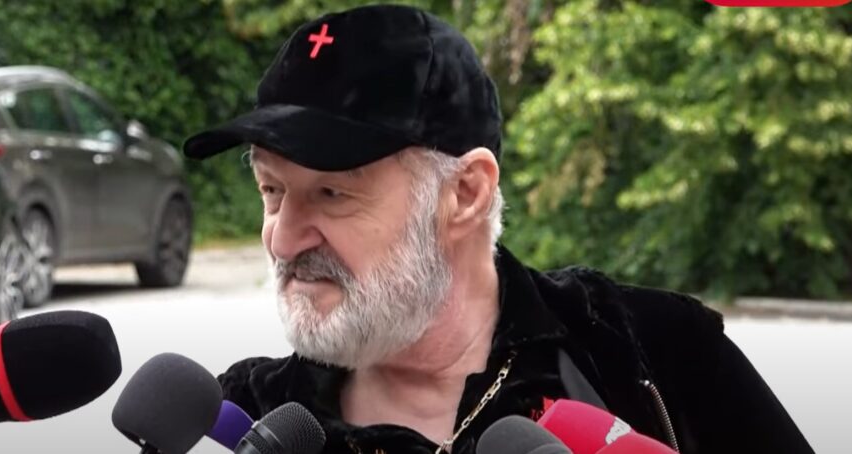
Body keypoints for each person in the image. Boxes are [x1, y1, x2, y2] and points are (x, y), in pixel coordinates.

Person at [182, 4, 813, 454]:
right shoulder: (240, 419)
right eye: (272, 191)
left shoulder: (648, 353)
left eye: (331, 193)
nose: (283, 239)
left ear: (465, 193)